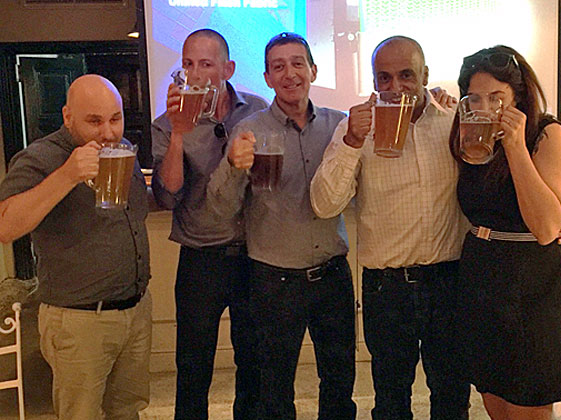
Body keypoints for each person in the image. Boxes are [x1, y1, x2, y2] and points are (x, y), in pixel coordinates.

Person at [309, 36, 561, 419]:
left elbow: (502, 185)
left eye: (406, 75)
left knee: (452, 398)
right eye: (384, 77)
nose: (395, 86)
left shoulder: (458, 122)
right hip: (387, 287)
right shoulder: (357, 129)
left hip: (451, 282)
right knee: (390, 401)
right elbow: (324, 205)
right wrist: (352, 141)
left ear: (425, 76)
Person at [207, 32, 357, 419]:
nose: (289, 73)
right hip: (274, 281)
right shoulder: (249, 130)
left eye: (297, 63)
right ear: (268, 78)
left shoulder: (340, 126)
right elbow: (221, 208)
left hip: (333, 277)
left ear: (313, 70)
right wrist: (232, 166)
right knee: (273, 392)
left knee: (340, 385)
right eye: (278, 67)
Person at [0, 74, 151, 420]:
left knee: (128, 410)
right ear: (68, 117)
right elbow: (6, 226)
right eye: (94, 121)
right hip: (79, 320)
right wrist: (67, 175)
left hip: (135, 310)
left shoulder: (122, 148)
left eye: (115, 119)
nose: (108, 132)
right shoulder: (40, 157)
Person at [449, 45, 561, 420]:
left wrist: (515, 146)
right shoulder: (471, 138)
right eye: (474, 98)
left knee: (528, 401)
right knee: (494, 399)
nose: (485, 107)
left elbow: (546, 227)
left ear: (518, 97)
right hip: (482, 277)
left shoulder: (547, 135)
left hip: (533, 284)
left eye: (496, 97)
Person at [151, 29, 268, 420]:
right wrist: (179, 133)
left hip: (254, 254)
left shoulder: (257, 109)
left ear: (227, 69)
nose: (196, 74)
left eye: (205, 64)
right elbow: (168, 197)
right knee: (193, 364)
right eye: (188, 64)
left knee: (253, 361)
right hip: (201, 258)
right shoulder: (166, 123)